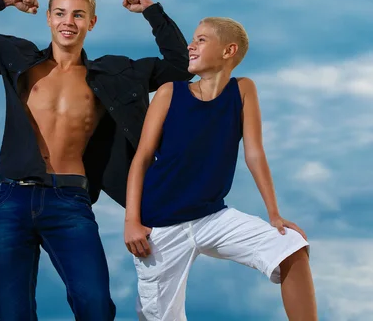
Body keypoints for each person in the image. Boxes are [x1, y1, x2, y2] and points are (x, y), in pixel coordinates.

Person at [0, 0, 192, 321]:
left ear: (92, 22)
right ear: (48, 18)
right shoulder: (17, 56)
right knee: (12, 312)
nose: (68, 21)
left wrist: (152, 12)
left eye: (78, 15)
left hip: (69, 200)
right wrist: (4, 0)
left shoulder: (113, 74)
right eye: (60, 13)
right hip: (11, 199)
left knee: (96, 305)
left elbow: (181, 65)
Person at [124, 17, 317, 320]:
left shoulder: (243, 90)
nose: (191, 45)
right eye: (193, 39)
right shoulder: (168, 93)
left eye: (201, 39)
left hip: (213, 216)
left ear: (229, 51)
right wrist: (131, 221)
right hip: (160, 226)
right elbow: (142, 159)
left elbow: (254, 154)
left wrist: (274, 214)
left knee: (291, 246)